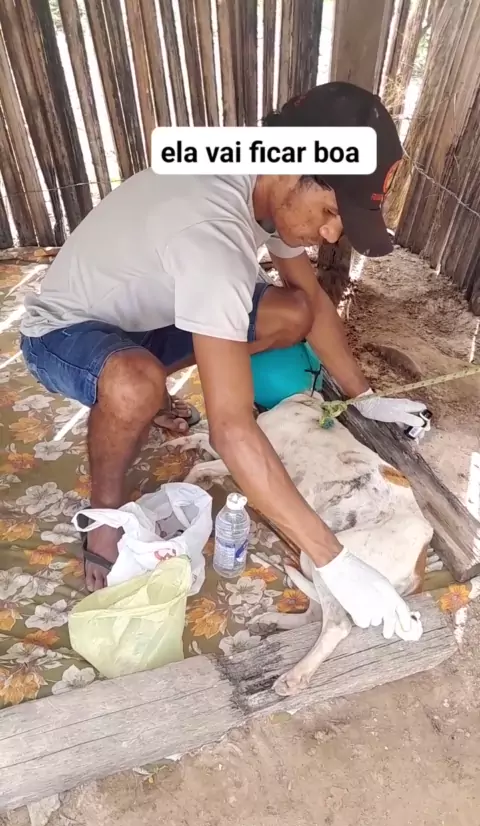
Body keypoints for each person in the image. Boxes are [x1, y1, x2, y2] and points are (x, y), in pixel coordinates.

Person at [20, 82, 426, 638]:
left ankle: (145, 388)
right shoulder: (210, 234)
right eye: (331, 211)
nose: (332, 234)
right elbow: (232, 430)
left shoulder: (258, 173)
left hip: (152, 313)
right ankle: (105, 512)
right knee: (134, 383)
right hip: (64, 332)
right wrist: (336, 561)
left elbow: (314, 303)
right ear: (292, 166)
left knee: (293, 312)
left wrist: (365, 398)